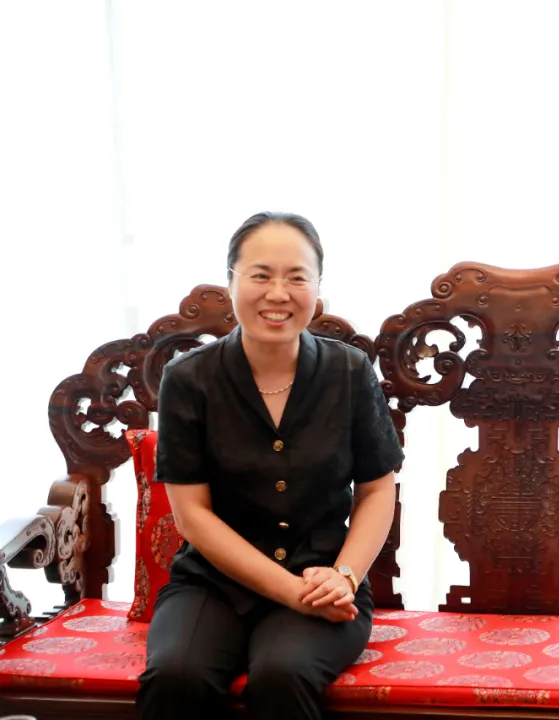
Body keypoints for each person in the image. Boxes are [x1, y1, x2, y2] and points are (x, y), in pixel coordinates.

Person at [136, 212, 405, 720]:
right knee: (177, 675)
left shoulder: (349, 371)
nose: (278, 294)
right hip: (212, 582)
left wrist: (345, 577)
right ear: (231, 282)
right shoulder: (188, 379)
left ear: (318, 288)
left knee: (283, 673)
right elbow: (194, 516)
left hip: (324, 578)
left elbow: (376, 490)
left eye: (297, 277)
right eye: (260, 275)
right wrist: (290, 592)